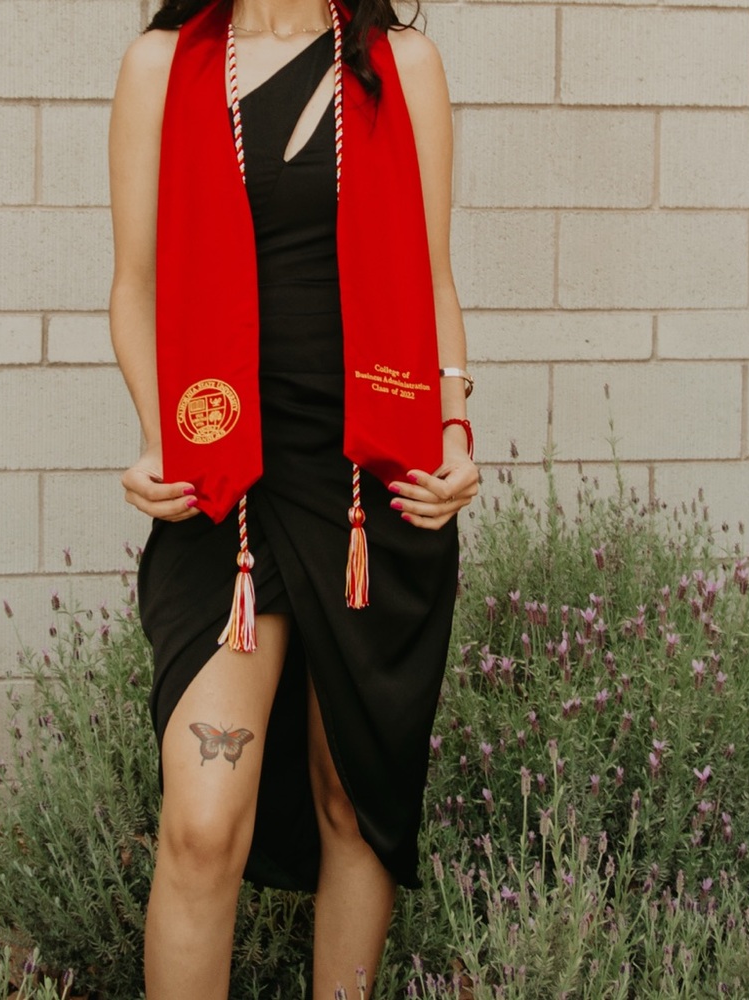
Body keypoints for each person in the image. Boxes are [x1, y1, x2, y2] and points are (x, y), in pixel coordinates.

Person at [107, 0, 477, 994]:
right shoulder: (161, 66)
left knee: (350, 803)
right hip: (221, 493)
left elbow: (434, 280)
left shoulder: (404, 65)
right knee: (199, 825)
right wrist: (155, 431)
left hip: (371, 492)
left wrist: (453, 432)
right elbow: (132, 289)